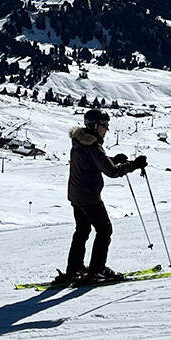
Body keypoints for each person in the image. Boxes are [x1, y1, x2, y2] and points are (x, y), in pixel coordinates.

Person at [56, 108, 147, 285]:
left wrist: (112, 158)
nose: (106, 129)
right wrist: (133, 165)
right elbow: (112, 172)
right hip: (89, 197)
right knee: (104, 230)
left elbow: (95, 161)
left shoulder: (80, 141)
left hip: (76, 195)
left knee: (82, 230)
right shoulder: (93, 146)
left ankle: (74, 268)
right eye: (103, 125)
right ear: (94, 126)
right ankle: (96, 271)